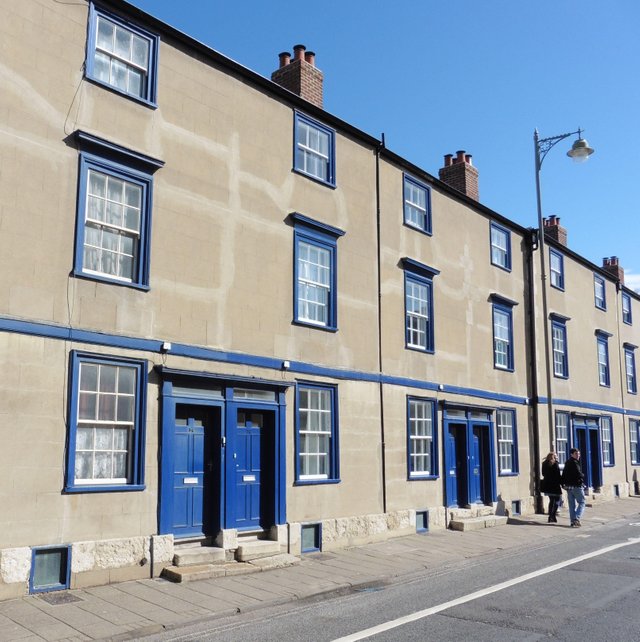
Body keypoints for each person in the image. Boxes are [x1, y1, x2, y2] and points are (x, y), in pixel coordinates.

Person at [561, 448, 586, 527]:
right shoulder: (575, 463)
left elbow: (564, 474)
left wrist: (563, 484)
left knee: (572, 505)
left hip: (569, 487)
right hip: (576, 486)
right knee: (582, 502)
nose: (578, 455)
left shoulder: (567, 462)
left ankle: (572, 522)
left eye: (578, 453)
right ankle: (576, 518)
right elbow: (578, 474)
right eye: (576, 453)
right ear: (571, 454)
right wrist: (582, 476)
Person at [540, 452, 562, 523]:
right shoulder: (555, 464)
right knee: (557, 500)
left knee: (551, 501)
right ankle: (553, 515)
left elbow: (543, 473)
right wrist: (562, 483)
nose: (557, 457)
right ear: (553, 457)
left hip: (547, 485)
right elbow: (558, 475)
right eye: (556, 456)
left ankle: (550, 516)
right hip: (555, 485)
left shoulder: (544, 463)